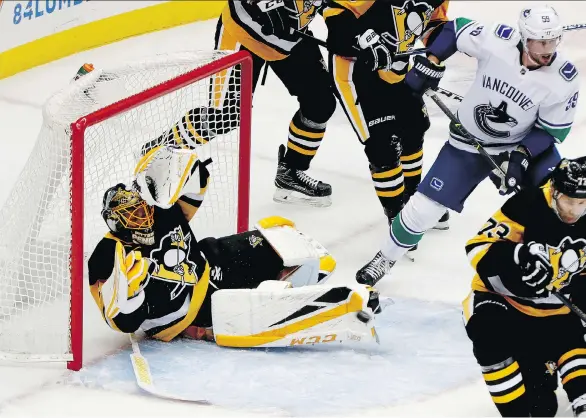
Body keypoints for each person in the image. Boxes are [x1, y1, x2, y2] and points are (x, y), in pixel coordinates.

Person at [356, 4, 581, 285]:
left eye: (552, 41)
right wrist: (432, 59)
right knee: (422, 210)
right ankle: (385, 258)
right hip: (466, 141)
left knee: (564, 192)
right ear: (524, 38)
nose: (547, 49)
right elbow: (453, 30)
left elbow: (550, 130)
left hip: (518, 146)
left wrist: (521, 156)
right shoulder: (497, 40)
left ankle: (566, 259)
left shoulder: (563, 78)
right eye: (540, 41)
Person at [87, 143, 382, 347]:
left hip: (211, 262)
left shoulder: (160, 208)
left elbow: (198, 181)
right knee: (264, 305)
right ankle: (321, 307)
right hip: (192, 312)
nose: (143, 218)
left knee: (291, 250)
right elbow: (122, 322)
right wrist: (132, 296)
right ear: (116, 223)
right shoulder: (106, 255)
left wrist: (166, 168)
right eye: (133, 216)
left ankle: (287, 287)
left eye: (142, 209)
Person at [461, 156, 586, 417]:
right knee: (488, 333)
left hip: (556, 315)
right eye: (569, 201)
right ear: (554, 191)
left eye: (583, 203)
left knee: (542, 408)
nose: (574, 211)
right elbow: (477, 247)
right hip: (504, 302)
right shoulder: (527, 204)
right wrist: (517, 257)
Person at [322, 0, 452, 247]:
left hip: (397, 70)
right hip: (355, 73)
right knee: (381, 145)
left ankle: (414, 204)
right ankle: (398, 217)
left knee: (414, 129)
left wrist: (437, 53)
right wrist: (363, 39)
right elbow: (334, 14)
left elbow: (432, 23)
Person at [196, 0, 336, 207]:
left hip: (289, 34)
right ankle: (163, 151)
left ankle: (290, 173)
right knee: (225, 117)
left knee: (320, 101)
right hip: (245, 30)